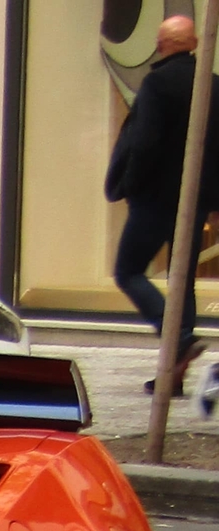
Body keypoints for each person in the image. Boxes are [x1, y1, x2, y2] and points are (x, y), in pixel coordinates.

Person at [107, 14, 219, 392]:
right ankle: (174, 372)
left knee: (128, 271)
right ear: (195, 44)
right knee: (182, 278)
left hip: (155, 198)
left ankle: (178, 340)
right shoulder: (214, 87)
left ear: (162, 44)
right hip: (197, 198)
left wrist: (130, 184)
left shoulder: (157, 84)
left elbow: (145, 143)